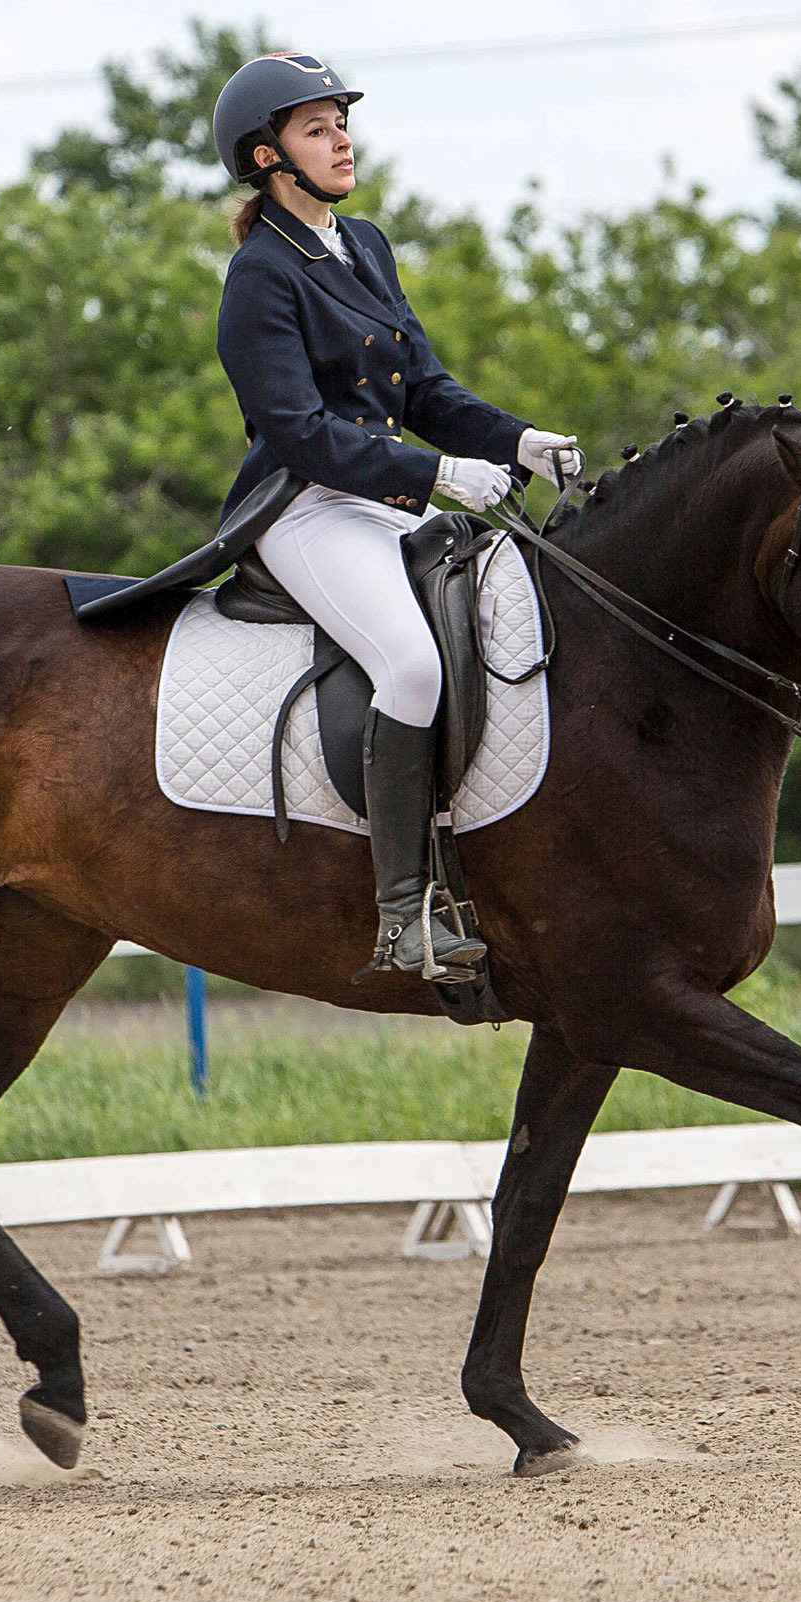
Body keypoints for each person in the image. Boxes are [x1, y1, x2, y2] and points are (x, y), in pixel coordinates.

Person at [210, 52, 582, 978]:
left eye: (342, 123)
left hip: (386, 496)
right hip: (307, 508)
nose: (341, 140)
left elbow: (424, 387)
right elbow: (299, 435)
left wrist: (516, 441)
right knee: (412, 666)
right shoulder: (261, 277)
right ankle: (403, 915)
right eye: (316, 128)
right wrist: (440, 476)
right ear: (266, 157)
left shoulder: (363, 243)